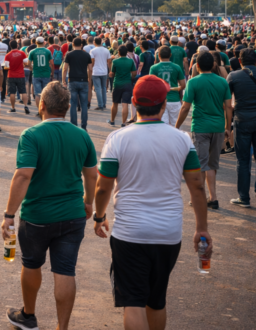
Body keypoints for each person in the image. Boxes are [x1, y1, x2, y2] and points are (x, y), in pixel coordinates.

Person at [93, 75, 212, 330]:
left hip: (130, 232)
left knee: (133, 302)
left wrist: (99, 216)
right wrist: (202, 228)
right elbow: (197, 187)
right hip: (168, 233)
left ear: (134, 103)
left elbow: (103, 187)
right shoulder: (182, 139)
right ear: (163, 105)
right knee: (156, 301)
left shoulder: (118, 138)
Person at [1, 82, 97, 330]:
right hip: (73, 214)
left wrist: (9, 214)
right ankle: (62, 327)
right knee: (66, 270)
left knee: (32, 263)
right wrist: (89, 203)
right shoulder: (82, 135)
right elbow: (92, 175)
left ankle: (29, 316)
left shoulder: (32, 135)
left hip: (38, 216)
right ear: (68, 107)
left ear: (41, 104)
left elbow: (23, 176)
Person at [175, 51, 232, 210]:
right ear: (214, 65)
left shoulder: (193, 82)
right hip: (218, 126)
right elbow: (228, 106)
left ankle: (199, 197)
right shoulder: (222, 82)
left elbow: (185, 107)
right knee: (212, 164)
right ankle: (213, 198)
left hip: (200, 127)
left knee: (200, 163)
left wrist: (176, 127)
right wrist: (228, 128)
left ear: (197, 65)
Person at [226, 48, 256, 208]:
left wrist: (227, 125)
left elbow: (228, 103)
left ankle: (244, 198)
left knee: (243, 160)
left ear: (239, 61)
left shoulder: (233, 76)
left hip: (242, 120)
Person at [148, 46, 185, 126]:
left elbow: (151, 86)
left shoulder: (154, 68)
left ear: (159, 55)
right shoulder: (177, 67)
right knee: (176, 126)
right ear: (170, 55)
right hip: (174, 100)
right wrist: (175, 88)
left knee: (163, 126)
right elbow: (183, 85)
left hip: (160, 100)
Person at [62, 37, 93, 130]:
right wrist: (89, 79)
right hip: (83, 80)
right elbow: (90, 69)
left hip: (72, 80)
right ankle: (84, 126)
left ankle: (74, 126)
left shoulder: (69, 54)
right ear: (82, 45)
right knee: (84, 105)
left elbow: (65, 68)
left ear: (73, 44)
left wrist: (63, 80)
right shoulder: (87, 55)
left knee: (73, 103)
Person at [108, 45, 136, 127]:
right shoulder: (131, 61)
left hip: (117, 84)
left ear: (119, 53)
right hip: (127, 84)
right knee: (125, 104)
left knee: (115, 103)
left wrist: (111, 74)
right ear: (127, 52)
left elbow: (112, 73)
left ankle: (112, 121)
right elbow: (134, 73)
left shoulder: (115, 61)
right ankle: (123, 123)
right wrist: (132, 78)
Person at [27, 37, 54, 108]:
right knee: (46, 93)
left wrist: (32, 68)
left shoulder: (32, 51)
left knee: (37, 94)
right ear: (43, 42)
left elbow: (28, 63)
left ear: (36, 42)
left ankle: (39, 111)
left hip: (36, 74)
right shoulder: (47, 51)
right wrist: (52, 73)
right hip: (46, 74)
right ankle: (46, 110)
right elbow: (52, 64)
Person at [5, 40, 30, 114]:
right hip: (21, 74)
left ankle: (13, 107)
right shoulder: (22, 53)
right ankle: (25, 106)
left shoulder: (8, 55)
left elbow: (6, 67)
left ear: (10, 46)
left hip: (11, 75)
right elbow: (26, 63)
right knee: (23, 91)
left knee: (12, 92)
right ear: (17, 45)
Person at [89, 36, 111, 110]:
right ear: (101, 42)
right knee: (104, 88)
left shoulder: (92, 51)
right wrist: (110, 70)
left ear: (94, 42)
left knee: (97, 88)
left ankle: (100, 104)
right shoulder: (106, 50)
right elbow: (109, 62)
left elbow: (92, 61)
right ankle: (104, 104)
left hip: (95, 72)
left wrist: (90, 70)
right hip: (104, 71)